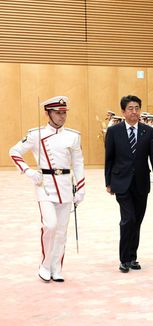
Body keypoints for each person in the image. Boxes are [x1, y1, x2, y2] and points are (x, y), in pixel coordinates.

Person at [9, 96, 85, 282]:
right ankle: (44, 264)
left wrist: (81, 188)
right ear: (48, 113)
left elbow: (78, 163)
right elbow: (14, 151)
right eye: (58, 113)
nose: (62, 116)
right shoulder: (36, 134)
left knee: (61, 231)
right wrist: (28, 171)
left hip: (66, 185)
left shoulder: (73, 136)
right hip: (44, 185)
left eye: (64, 112)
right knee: (50, 225)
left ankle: (56, 267)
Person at [105, 95, 153, 273]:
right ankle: (123, 259)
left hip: (141, 182)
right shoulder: (114, 132)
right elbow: (110, 158)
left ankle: (132, 257)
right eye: (130, 108)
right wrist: (108, 182)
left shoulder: (148, 131)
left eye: (137, 108)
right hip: (121, 182)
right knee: (127, 219)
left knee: (137, 221)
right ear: (123, 111)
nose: (134, 111)